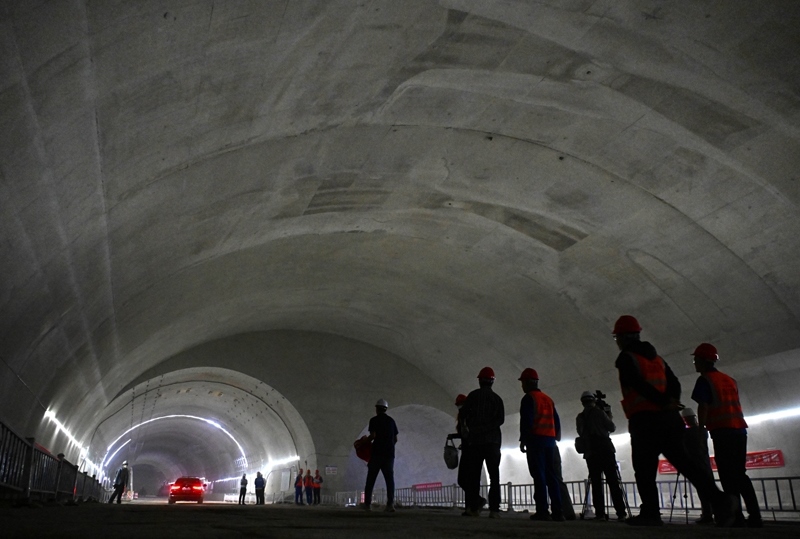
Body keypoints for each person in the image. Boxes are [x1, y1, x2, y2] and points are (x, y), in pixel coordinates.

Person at [612, 315, 735, 527]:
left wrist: (661, 402)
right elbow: (674, 382)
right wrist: (670, 402)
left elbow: (637, 384)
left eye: (617, 338)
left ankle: (651, 513)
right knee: (686, 464)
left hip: (645, 421)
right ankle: (721, 500)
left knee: (644, 469)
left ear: (622, 337)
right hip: (669, 420)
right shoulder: (657, 359)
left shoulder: (626, 358)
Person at [690, 343, 763, 528]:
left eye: (695, 359)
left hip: (722, 431)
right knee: (740, 474)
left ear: (703, 361)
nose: (694, 363)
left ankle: (736, 517)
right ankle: (755, 516)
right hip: (739, 430)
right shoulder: (730, 380)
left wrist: (701, 431)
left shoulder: (705, 380)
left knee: (727, 475)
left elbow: (703, 406)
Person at [518, 368, 563, 521]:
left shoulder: (528, 398)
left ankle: (542, 511)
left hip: (536, 441)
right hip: (550, 442)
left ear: (528, 382)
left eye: (523, 382)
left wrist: (523, 440)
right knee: (552, 476)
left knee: (539, 476)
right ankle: (558, 512)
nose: (522, 386)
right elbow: (556, 421)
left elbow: (527, 421)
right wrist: (556, 437)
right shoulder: (548, 399)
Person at [460, 367, 504, 518]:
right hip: (493, 442)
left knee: (474, 476)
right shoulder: (497, 399)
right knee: (494, 476)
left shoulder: (473, 396)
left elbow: (463, 415)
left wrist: (469, 430)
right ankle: (494, 510)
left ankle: (474, 508)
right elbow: (501, 420)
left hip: (476, 442)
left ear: (479, 381)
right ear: (492, 381)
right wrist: (488, 428)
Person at [576, 390, 627, 521]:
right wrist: (608, 414)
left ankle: (600, 514)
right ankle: (621, 513)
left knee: (596, 484)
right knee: (613, 482)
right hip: (606, 451)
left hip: (591, 453)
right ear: (593, 400)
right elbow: (612, 427)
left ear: (582, 403)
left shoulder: (580, 417)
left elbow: (580, 432)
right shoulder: (600, 413)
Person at [361, 398, 399, 512]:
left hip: (377, 453)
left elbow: (373, 435)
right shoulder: (391, 421)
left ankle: (367, 504)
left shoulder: (374, 420)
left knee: (371, 479)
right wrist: (389, 446)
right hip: (389, 455)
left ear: (377, 409)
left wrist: (365, 442)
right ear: (386, 409)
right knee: (389, 480)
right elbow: (395, 439)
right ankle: (390, 504)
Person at [680, 407, 714, 524]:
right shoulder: (703, 431)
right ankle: (713, 513)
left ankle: (707, 515)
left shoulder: (687, 433)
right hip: (705, 463)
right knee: (709, 488)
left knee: (703, 490)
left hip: (696, 464)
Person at [446, 394, 469, 496]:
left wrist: (454, 436)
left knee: (462, 479)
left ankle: (475, 499)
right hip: (469, 449)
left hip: (468, 450)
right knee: (467, 479)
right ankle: (474, 500)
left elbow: (465, 433)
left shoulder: (464, 416)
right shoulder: (469, 414)